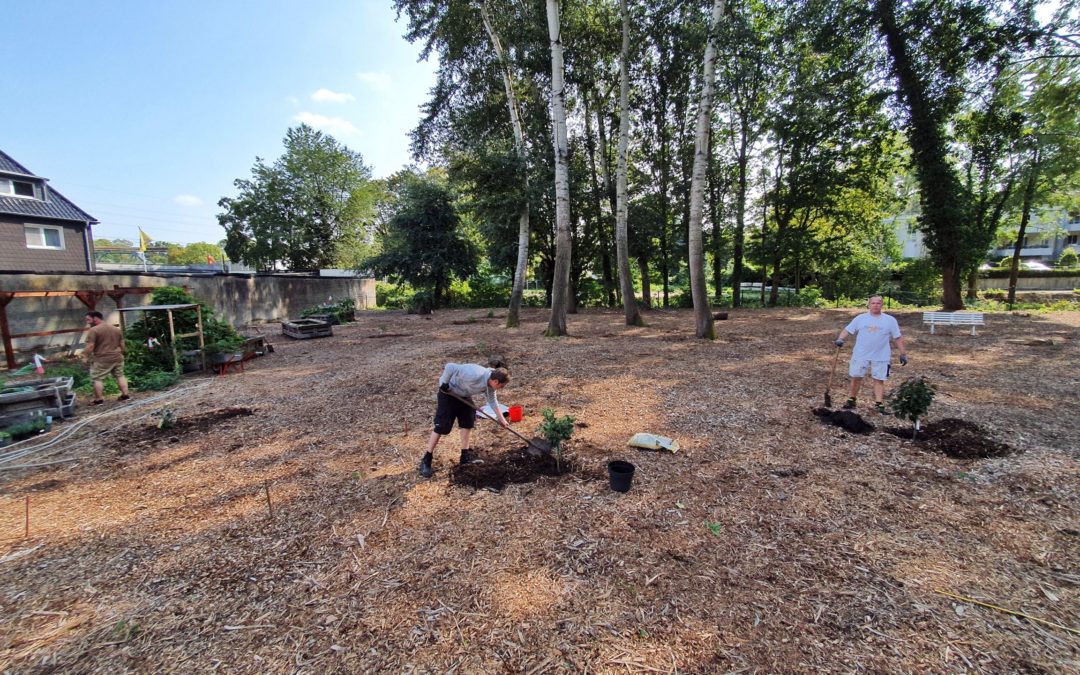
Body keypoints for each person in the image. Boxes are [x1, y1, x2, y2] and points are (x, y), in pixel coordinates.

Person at [419, 363, 510, 478]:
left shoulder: (490, 385)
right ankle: (426, 459)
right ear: (495, 381)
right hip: (448, 393)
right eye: (502, 386)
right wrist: (444, 383)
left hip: (463, 396)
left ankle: (465, 457)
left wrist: (501, 419)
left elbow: (492, 401)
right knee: (442, 427)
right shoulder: (474, 373)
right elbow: (450, 366)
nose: (501, 389)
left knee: (468, 421)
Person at [834, 295, 908, 414]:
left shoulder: (890, 320)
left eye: (878, 303)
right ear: (869, 305)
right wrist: (840, 339)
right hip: (861, 354)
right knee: (856, 377)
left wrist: (903, 353)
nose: (875, 305)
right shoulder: (861, 318)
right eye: (873, 303)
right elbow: (848, 330)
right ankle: (851, 400)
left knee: (879, 379)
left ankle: (879, 404)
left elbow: (897, 337)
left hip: (881, 355)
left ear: (881, 305)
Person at [83, 310, 131, 405]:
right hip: (117, 357)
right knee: (120, 375)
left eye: (88, 319)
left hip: (101, 359)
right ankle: (125, 395)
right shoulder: (116, 329)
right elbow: (122, 344)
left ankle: (98, 400)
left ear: (95, 318)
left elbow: (90, 346)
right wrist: (122, 353)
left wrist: (85, 356)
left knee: (97, 378)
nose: (87, 322)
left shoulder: (94, 330)